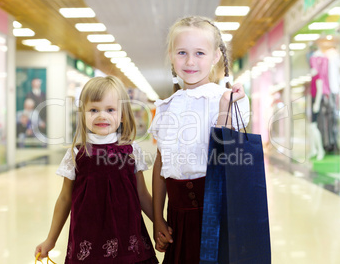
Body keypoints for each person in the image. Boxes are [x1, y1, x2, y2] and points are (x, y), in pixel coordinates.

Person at [148, 16, 250, 263]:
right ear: (171, 55)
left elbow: (224, 155)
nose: (190, 61)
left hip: (219, 214)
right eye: (182, 52)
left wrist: (225, 108)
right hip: (177, 216)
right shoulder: (165, 108)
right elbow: (161, 164)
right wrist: (158, 218)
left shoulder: (225, 99)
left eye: (200, 53)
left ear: (216, 56)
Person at [35, 76, 158, 264]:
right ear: (83, 114)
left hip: (128, 240)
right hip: (88, 242)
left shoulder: (131, 150)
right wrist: (50, 240)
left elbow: (142, 194)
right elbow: (65, 198)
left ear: (123, 114)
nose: (102, 116)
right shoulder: (77, 153)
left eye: (110, 110)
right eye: (93, 110)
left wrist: (160, 224)